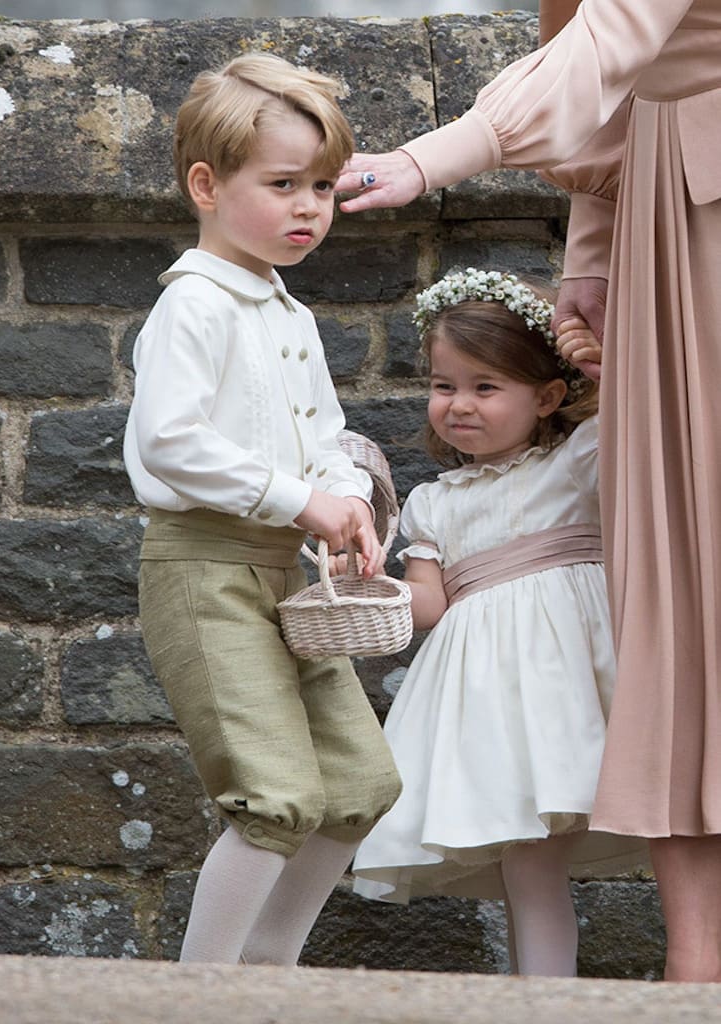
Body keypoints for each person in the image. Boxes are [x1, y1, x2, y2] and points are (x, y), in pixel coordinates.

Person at [336, 0, 721, 983]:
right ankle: (697, 962)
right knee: (673, 580)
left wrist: (433, 156)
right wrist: (591, 252)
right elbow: (621, 80)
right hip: (663, 212)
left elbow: (609, 41)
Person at [122, 52, 401, 966]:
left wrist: (348, 495)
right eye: (282, 184)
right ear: (206, 184)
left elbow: (327, 431)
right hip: (206, 574)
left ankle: (267, 979)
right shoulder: (194, 306)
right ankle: (203, 995)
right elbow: (168, 442)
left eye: (321, 185)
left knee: (358, 785)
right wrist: (299, 499)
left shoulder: (292, 317)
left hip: (289, 574)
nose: (309, 207)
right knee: (276, 797)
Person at [350, 268, 647, 978]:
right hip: (491, 699)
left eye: (486, 387)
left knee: (637, 829)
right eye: (445, 386)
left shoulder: (577, 464)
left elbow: (640, 418)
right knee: (526, 855)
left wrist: (595, 355)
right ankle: (543, 998)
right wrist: (370, 584)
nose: (459, 405)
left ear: (547, 396)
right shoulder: (434, 503)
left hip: (576, 682)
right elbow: (431, 606)